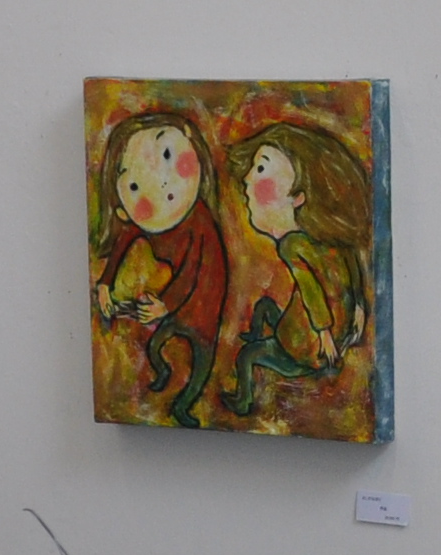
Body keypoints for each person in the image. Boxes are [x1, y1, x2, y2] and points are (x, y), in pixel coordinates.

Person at [227, 118, 374, 414]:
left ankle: (242, 402)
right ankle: (259, 334)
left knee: (247, 355)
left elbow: (310, 289)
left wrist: (323, 334)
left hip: (306, 348)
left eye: (260, 169)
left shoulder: (292, 245)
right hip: (338, 335)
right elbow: (353, 268)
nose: (247, 179)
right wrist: (359, 309)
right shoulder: (330, 240)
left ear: (298, 198)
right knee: (265, 307)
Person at [93, 109, 232, 425]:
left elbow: (194, 273)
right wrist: (105, 282)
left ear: (189, 138)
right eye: (134, 185)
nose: (159, 181)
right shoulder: (145, 221)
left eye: (167, 154)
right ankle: (163, 372)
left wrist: (164, 306)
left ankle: (184, 405)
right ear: (123, 211)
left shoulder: (200, 226)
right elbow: (123, 241)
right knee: (157, 344)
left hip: (204, 305)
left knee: (201, 361)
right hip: (171, 304)